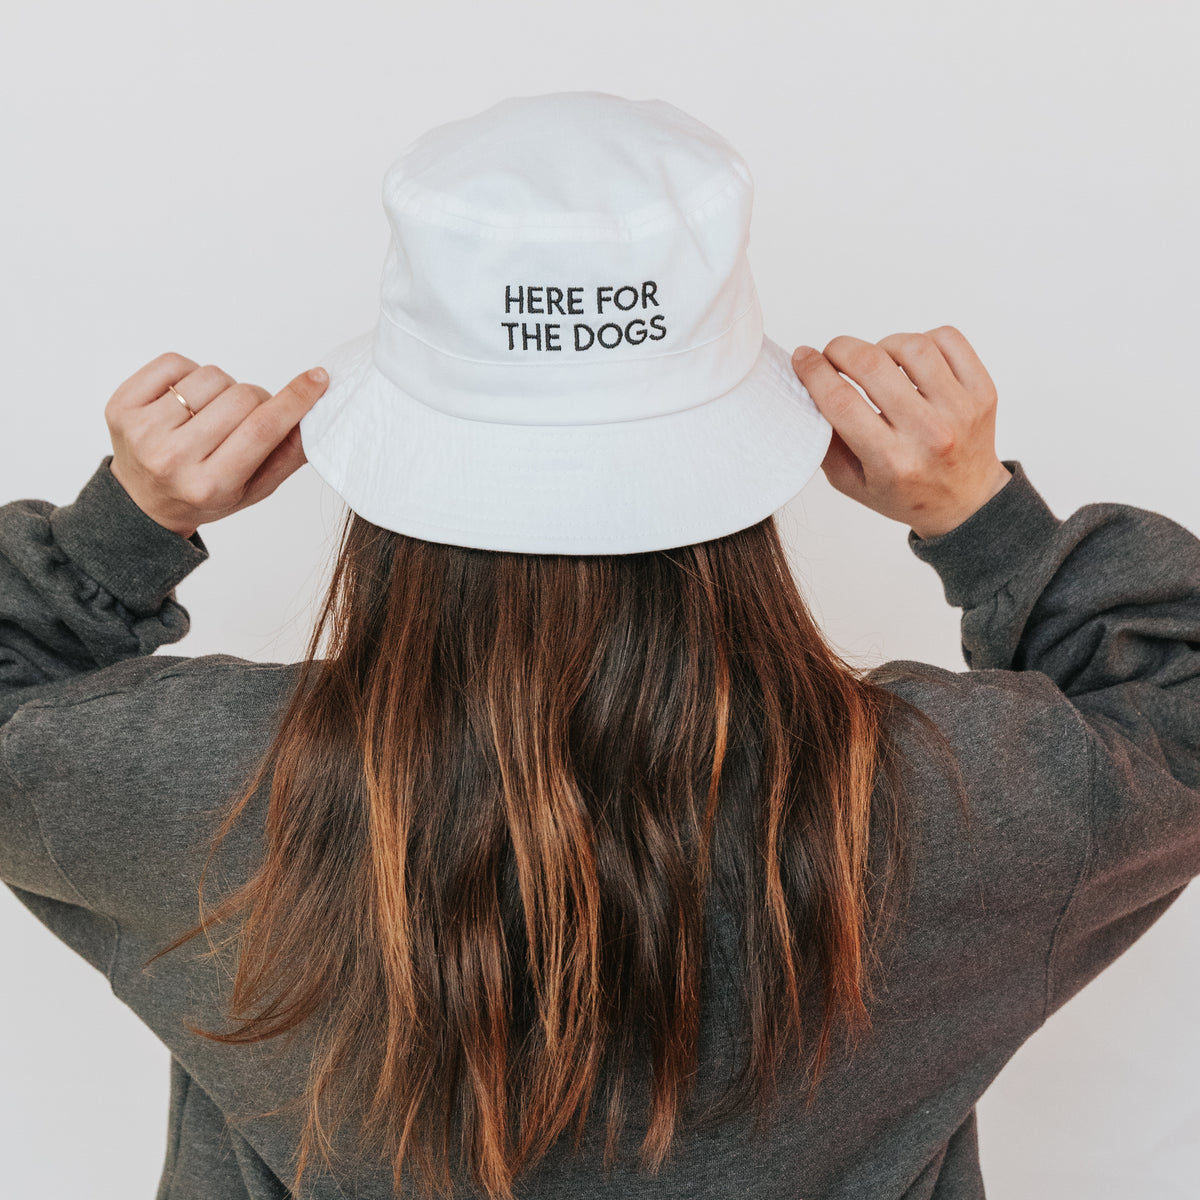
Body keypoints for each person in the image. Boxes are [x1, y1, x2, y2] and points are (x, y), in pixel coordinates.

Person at [1, 92, 1197, 1200]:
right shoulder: (955, 808)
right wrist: (980, 515)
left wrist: (124, 531)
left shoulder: (197, 794)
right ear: (745, 437)